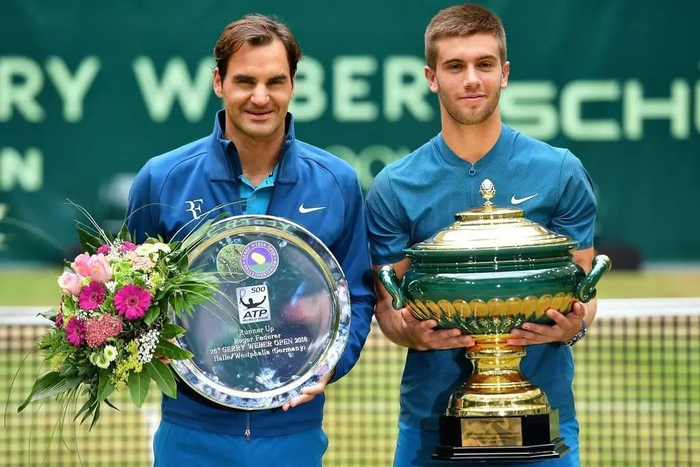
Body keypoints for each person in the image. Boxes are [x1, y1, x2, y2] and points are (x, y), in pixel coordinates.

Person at [126, 14, 375, 467]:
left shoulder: (337, 182)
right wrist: (150, 348)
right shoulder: (161, 179)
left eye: (275, 81)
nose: (261, 97)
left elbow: (356, 295)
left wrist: (331, 364)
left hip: (293, 431)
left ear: (293, 85)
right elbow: (133, 293)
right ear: (218, 82)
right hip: (190, 432)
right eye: (245, 81)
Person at [366, 4, 597, 466]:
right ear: (431, 78)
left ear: (504, 73)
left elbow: (583, 290)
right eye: (455, 66)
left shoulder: (560, 171)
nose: (471, 79)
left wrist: (576, 326)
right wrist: (413, 334)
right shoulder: (395, 185)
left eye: (484, 64)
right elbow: (387, 305)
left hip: (542, 416)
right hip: (430, 422)